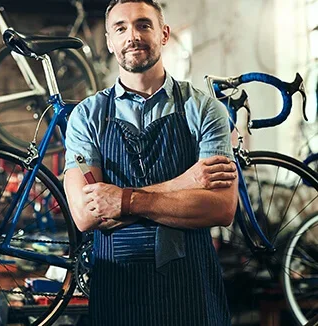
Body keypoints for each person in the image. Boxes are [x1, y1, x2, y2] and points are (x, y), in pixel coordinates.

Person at [63, 0, 239, 325]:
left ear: (164, 34)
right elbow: (87, 215)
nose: (133, 35)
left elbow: (221, 209)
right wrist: (184, 184)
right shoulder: (87, 116)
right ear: (109, 41)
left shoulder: (204, 110)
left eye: (144, 25)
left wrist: (121, 200)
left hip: (192, 296)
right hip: (115, 296)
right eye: (121, 28)